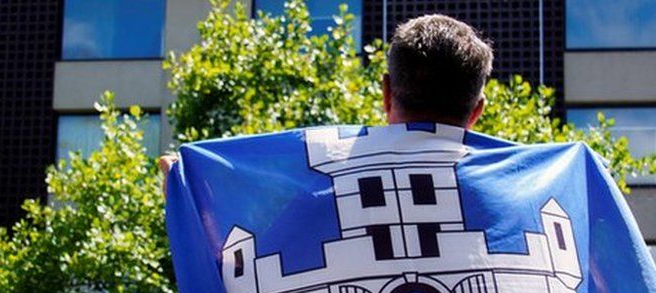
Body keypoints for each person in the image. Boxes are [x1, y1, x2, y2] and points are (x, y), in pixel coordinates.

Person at [159, 13, 493, 184]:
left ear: (386, 93)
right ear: (477, 111)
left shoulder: (322, 180)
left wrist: (185, 199)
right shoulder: (526, 195)